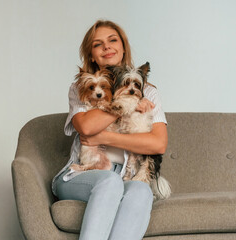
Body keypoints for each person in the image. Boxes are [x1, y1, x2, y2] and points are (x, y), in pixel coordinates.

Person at [52, 20, 168, 240]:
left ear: (123, 47)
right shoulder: (83, 87)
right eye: (98, 44)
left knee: (142, 191)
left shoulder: (149, 92)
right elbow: (86, 127)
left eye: (113, 40)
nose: (106, 47)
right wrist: (129, 102)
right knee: (109, 181)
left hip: (127, 175)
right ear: (92, 55)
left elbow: (158, 144)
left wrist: (104, 137)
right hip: (82, 175)